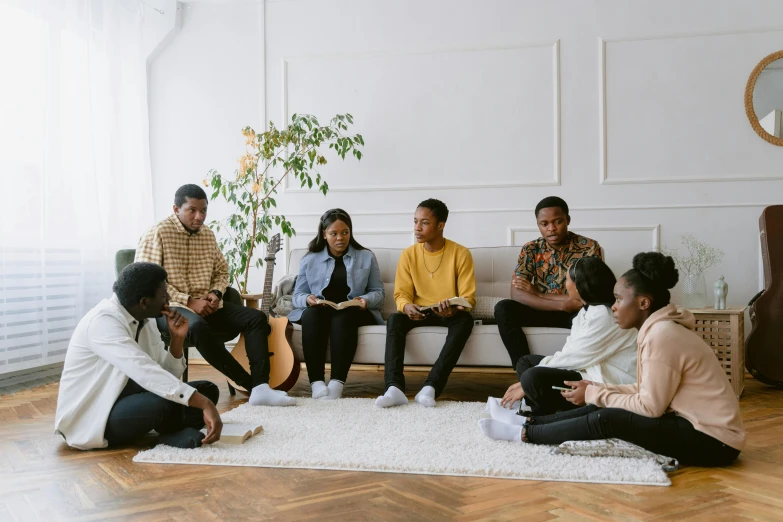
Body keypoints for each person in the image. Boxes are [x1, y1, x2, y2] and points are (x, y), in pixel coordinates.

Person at [479, 252, 746, 467]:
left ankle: (525, 434)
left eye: (618, 299)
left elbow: (650, 406)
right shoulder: (657, 329)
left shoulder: (663, 335)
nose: (614, 306)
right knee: (601, 402)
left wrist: (598, 394)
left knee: (608, 418)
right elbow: (646, 393)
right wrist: (598, 391)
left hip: (714, 441)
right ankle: (529, 423)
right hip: (687, 421)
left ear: (643, 303)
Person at [135, 184, 294, 407]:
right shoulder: (158, 233)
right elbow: (147, 281)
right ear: (176, 209)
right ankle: (250, 385)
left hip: (208, 305)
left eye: (204, 211)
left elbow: (221, 270)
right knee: (197, 326)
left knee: (256, 318)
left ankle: (261, 386)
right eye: (192, 210)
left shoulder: (207, 235)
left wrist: (215, 293)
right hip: (169, 308)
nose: (199, 217)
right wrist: (189, 301)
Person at [54, 262, 223, 450]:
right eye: (163, 294)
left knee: (206, 389)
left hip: (132, 397)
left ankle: (169, 432)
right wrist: (203, 404)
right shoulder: (103, 322)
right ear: (144, 302)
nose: (168, 298)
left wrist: (177, 339)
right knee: (169, 399)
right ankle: (166, 436)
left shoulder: (145, 320)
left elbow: (166, 376)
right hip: (96, 414)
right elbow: (146, 372)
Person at [488, 257, 637, 423]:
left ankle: (538, 416)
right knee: (525, 363)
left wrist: (525, 384)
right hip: (587, 368)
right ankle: (538, 409)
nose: (565, 284)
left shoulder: (604, 314)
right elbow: (570, 352)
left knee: (532, 376)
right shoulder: (587, 311)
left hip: (605, 380)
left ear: (579, 286)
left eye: (567, 279)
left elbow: (574, 357)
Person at [376, 199, 476, 408]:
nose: (417, 228)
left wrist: (454, 308)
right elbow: (401, 293)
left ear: (440, 225)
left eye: (424, 223)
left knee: (465, 320)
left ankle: (430, 387)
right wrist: (406, 307)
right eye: (415, 222)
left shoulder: (460, 253)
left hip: (448, 313)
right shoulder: (408, 255)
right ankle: (393, 388)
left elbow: (468, 298)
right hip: (418, 312)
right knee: (395, 319)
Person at [494, 197, 603, 378]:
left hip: (574, 313)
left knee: (590, 314)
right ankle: (525, 373)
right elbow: (516, 293)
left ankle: (577, 376)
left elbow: (587, 296)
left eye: (557, 222)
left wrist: (538, 293)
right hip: (543, 310)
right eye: (544, 224)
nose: (551, 228)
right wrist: (560, 304)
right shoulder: (531, 249)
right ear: (538, 225)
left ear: (567, 220)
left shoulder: (589, 248)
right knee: (504, 308)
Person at [289, 209, 385, 400]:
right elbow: (297, 295)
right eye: (334, 234)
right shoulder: (309, 259)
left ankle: (336, 383)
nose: (340, 238)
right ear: (324, 234)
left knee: (344, 316)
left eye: (345, 232)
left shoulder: (366, 256)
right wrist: (308, 300)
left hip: (353, 311)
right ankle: (316, 383)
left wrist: (365, 300)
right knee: (311, 315)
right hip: (321, 309)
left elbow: (379, 293)